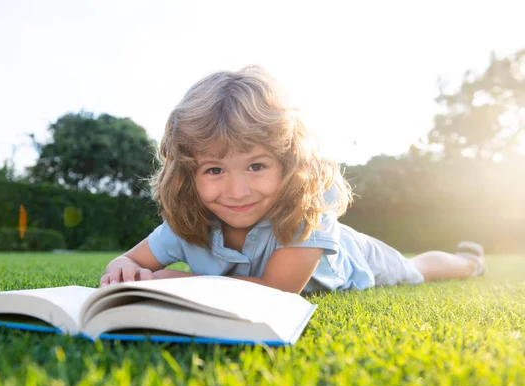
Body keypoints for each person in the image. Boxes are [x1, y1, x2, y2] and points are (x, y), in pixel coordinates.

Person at [100, 65, 486, 294]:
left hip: (356, 260)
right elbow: (131, 259)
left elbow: (277, 292)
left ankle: (468, 262)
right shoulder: (187, 225)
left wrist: (166, 278)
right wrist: (123, 269)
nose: (237, 192)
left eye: (256, 166)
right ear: (188, 174)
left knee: (415, 270)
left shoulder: (306, 217)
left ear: (287, 164)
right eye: (214, 170)